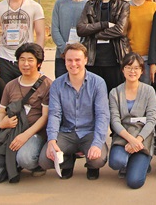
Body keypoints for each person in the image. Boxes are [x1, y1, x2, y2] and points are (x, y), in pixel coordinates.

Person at [0, 43, 51, 184]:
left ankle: (29, 163)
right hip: (10, 133)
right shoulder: (10, 85)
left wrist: (24, 136)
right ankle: (12, 165)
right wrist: (2, 122)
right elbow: (1, 112)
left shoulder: (47, 84)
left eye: (30, 60)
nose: (25, 64)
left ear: (39, 63)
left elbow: (45, 117)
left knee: (26, 158)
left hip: (34, 133)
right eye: (22, 59)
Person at [39, 43, 110, 180]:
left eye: (77, 60)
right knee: (45, 160)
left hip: (89, 131)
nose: (73, 64)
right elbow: (54, 114)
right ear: (64, 61)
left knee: (98, 159)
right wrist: (52, 140)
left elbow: (102, 115)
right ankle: (67, 161)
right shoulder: (57, 85)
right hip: (67, 132)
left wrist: (96, 144)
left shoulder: (98, 83)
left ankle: (91, 166)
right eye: (69, 60)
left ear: (85, 60)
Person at [108, 53, 156, 189]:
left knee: (134, 182)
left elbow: (151, 120)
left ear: (142, 71)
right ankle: (126, 161)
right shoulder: (114, 93)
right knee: (116, 162)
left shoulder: (149, 91)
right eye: (129, 67)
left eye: (136, 68)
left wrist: (139, 140)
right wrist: (131, 139)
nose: (132, 71)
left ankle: (143, 163)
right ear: (122, 69)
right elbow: (115, 121)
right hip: (123, 136)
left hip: (143, 137)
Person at [77, 0, 130, 94]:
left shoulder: (123, 5)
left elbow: (120, 30)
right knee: (93, 97)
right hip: (93, 60)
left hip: (115, 60)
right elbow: (81, 29)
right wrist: (103, 24)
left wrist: (95, 34)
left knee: (114, 98)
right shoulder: (90, 5)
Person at [51, 0, 88, 79]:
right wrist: (64, 49)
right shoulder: (60, 4)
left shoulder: (89, 5)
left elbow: (90, 30)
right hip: (61, 56)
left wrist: (79, 52)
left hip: (81, 57)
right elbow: (54, 29)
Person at [126, 0, 156, 84]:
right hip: (130, 57)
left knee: (146, 91)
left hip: (149, 58)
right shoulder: (125, 7)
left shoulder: (154, 7)